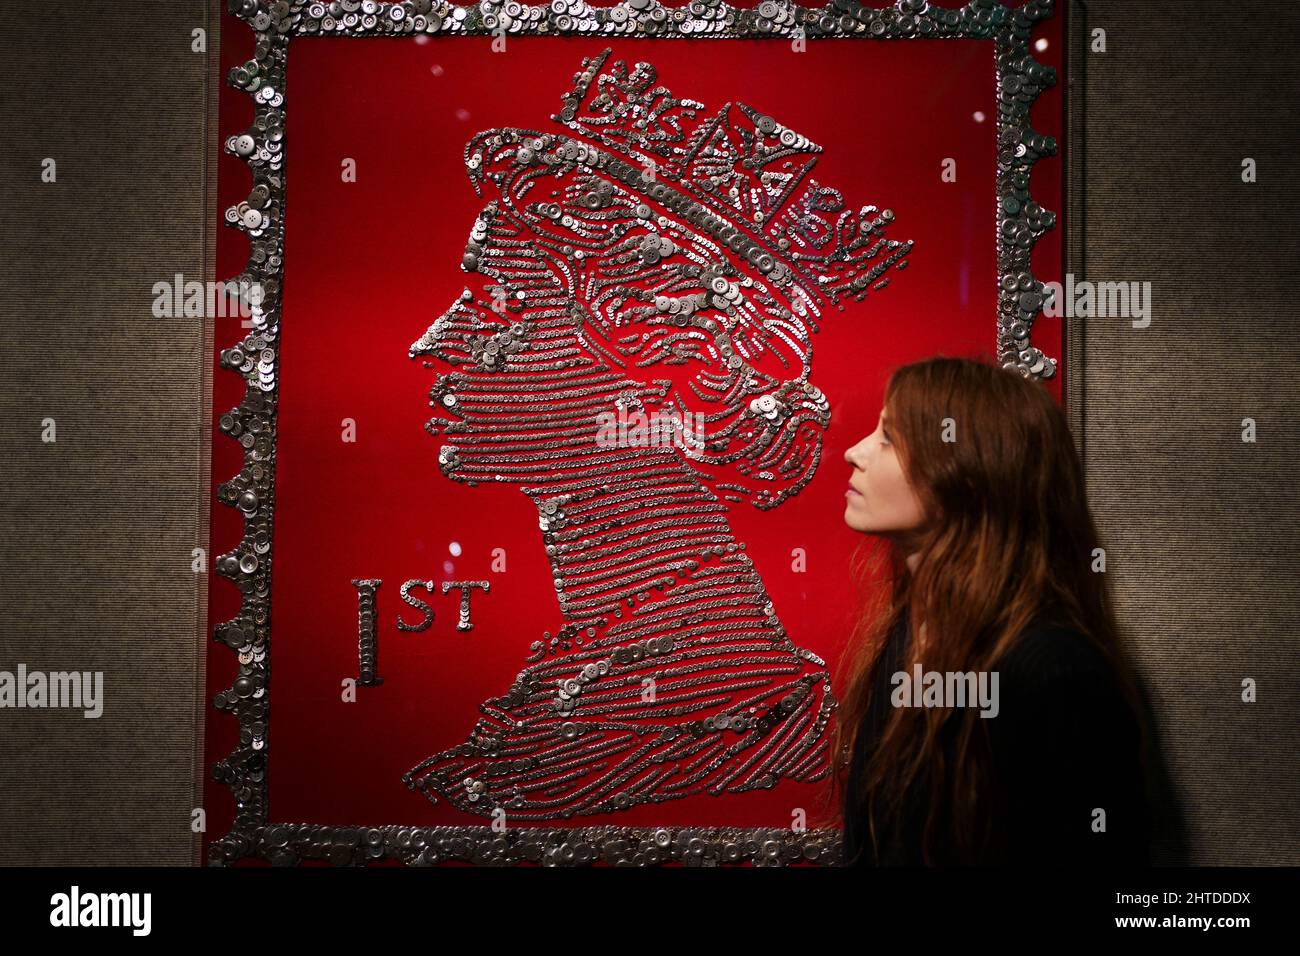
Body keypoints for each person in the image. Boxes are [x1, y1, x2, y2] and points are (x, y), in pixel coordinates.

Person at [830, 355, 1183, 866]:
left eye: (888, 438)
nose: (853, 452)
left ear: (965, 474)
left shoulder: (1053, 666)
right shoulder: (908, 630)